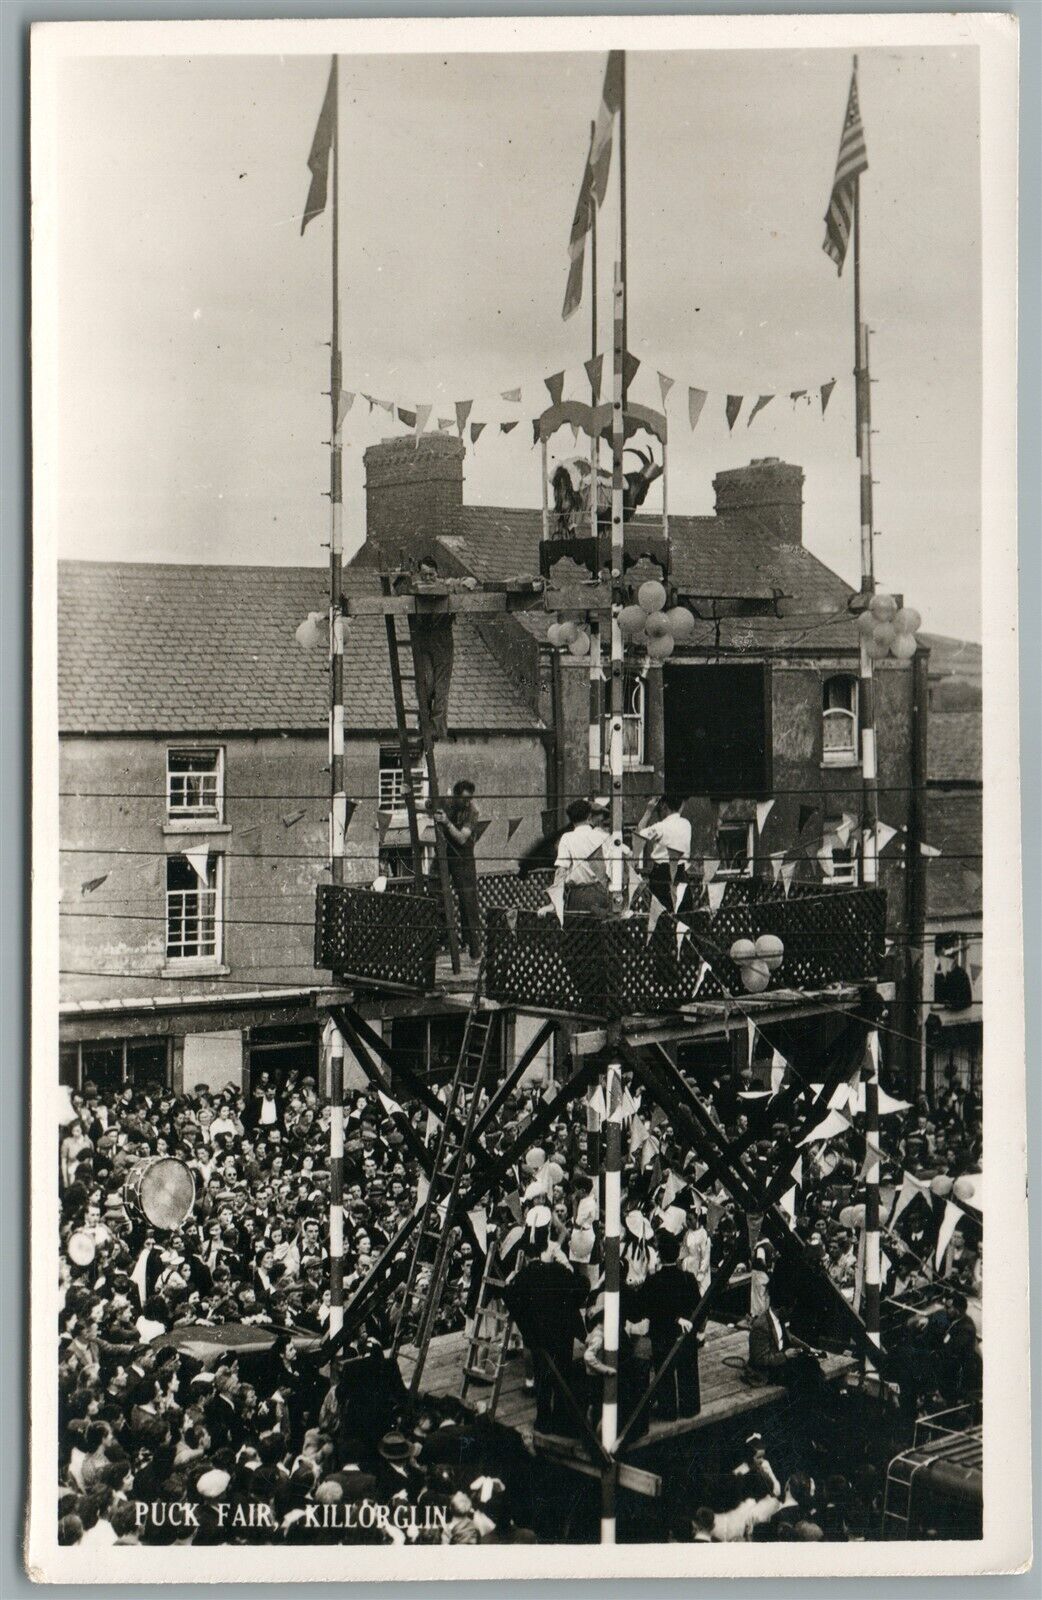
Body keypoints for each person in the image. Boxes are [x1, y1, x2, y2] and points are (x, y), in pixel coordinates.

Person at [434, 778, 482, 960]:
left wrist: (446, 822)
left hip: (464, 858)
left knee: (468, 902)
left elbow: (462, 838)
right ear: (455, 796)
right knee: (435, 890)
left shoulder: (473, 811)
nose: (468, 802)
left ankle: (474, 949)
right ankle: (445, 938)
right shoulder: (447, 802)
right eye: (465, 798)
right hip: (446, 853)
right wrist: (408, 795)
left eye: (470, 798)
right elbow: (426, 804)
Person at [410, 556, 454, 740]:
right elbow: (400, 587)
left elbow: (463, 583)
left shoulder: (445, 587)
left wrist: (466, 582)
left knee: (441, 688)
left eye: (431, 575)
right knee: (426, 684)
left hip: (442, 641)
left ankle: (437, 729)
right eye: (424, 575)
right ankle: (424, 725)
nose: (428, 578)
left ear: (437, 574)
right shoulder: (415, 589)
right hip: (424, 641)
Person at [635, 794, 692, 906]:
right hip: (681, 872)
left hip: (662, 874)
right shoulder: (686, 824)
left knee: (661, 911)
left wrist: (648, 811)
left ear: (664, 806)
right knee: (683, 910)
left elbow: (638, 836)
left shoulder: (660, 827)